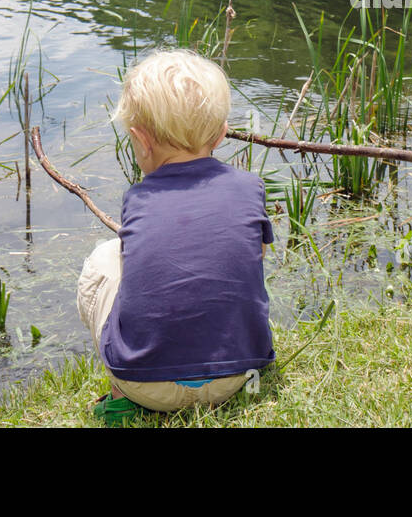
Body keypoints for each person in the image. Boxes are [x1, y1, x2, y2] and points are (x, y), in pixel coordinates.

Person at [76, 48, 275, 424]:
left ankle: (120, 396)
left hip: (146, 387)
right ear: (219, 134)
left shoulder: (139, 198)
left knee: (105, 258)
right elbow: (254, 257)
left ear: (141, 140)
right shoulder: (251, 187)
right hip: (236, 376)